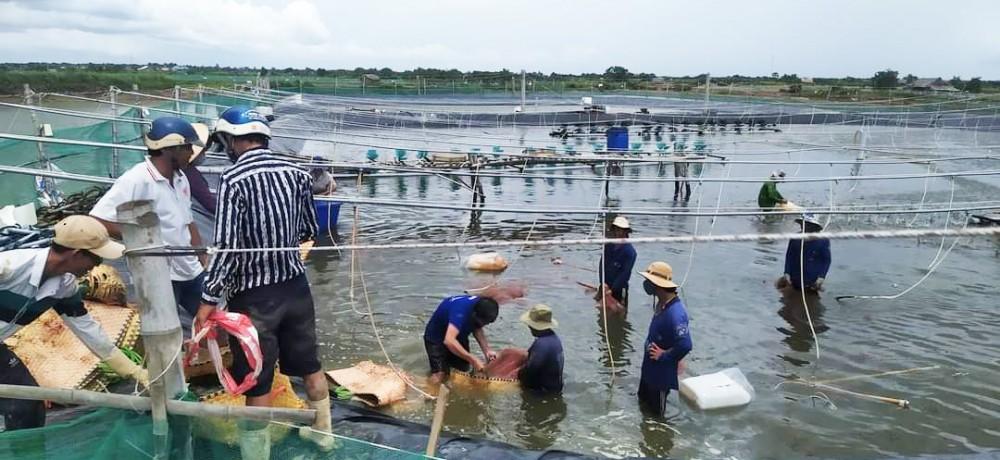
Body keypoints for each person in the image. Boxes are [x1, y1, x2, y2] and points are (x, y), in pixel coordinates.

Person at [192, 106, 332, 456]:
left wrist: (209, 298)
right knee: (309, 364)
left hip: (254, 298)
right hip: (296, 287)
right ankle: (324, 434)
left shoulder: (234, 179)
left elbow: (226, 246)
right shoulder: (296, 172)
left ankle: (256, 452)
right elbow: (308, 230)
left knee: (256, 376)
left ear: (228, 139)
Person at [0, 216, 148, 430]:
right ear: (76, 254)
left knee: (27, 404)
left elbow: (88, 330)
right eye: (97, 258)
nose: (99, 264)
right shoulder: (9, 267)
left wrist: (133, 371)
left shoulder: (64, 286)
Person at [91, 117, 208, 338]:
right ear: (170, 149)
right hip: (158, 273)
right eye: (187, 148)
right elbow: (98, 219)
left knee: (211, 320)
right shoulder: (136, 180)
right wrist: (144, 239)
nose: (191, 153)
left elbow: (188, 219)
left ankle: (215, 365)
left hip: (190, 268)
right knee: (166, 332)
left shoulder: (181, 178)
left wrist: (201, 253)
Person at [637, 261, 692, 417]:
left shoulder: (675, 314)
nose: (646, 285)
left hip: (659, 376)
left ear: (658, 285)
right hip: (648, 369)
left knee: (656, 417)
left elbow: (685, 344)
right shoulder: (661, 304)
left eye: (649, 282)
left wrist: (665, 355)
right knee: (643, 405)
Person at [423, 294, 499, 384]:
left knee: (463, 370)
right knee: (440, 375)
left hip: (458, 334)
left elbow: (477, 327)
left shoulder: (482, 305)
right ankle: (428, 393)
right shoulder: (460, 311)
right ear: (474, 314)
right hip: (436, 337)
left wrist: (487, 350)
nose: (483, 325)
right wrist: (473, 359)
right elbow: (449, 341)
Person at [517, 304, 564, 393]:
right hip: (555, 386)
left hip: (541, 390)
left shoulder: (541, 344)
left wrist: (518, 375)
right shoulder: (555, 339)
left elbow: (530, 369)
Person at [781, 213, 831, 292]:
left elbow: (826, 260)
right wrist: (786, 272)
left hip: (812, 280)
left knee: (813, 300)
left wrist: (821, 277)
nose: (804, 227)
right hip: (795, 278)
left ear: (815, 227)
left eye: (808, 225)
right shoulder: (795, 238)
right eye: (803, 224)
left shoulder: (823, 240)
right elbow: (789, 256)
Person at [597, 216, 637, 309]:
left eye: (621, 230)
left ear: (626, 231)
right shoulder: (609, 246)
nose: (618, 232)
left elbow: (625, 273)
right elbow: (602, 264)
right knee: (600, 311)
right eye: (616, 229)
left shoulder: (630, 252)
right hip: (605, 285)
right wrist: (603, 283)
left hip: (619, 288)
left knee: (620, 313)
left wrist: (612, 290)